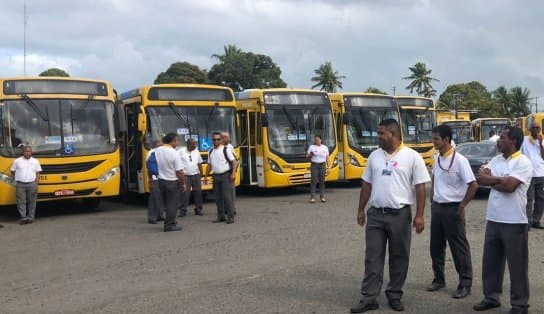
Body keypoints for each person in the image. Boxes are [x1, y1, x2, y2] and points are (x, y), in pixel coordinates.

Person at [350, 119, 430, 313]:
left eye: (381, 134)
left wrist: (419, 215)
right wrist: (361, 209)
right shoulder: (374, 156)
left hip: (400, 215)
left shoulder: (412, 156)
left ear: (393, 134)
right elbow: (367, 184)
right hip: (376, 214)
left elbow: (420, 187)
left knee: (399, 256)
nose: (378, 137)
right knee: (372, 257)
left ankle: (394, 294)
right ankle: (369, 297)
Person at [474, 126, 531, 314]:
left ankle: (520, 304)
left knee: (517, 266)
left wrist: (494, 181)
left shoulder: (523, 162)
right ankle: (491, 297)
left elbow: (510, 187)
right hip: (494, 218)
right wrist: (499, 180)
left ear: (513, 141)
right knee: (491, 262)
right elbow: (481, 179)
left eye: (503, 138)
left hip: (515, 221)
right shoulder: (496, 160)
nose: (498, 141)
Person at [427, 125, 478, 299]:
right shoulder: (437, 157)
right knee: (436, 247)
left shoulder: (460, 160)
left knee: (459, 248)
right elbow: (434, 176)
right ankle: (439, 279)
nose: (433, 141)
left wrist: (462, 206)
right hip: (438, 208)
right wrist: (433, 196)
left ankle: (465, 284)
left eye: (436, 139)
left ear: (446, 140)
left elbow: (473, 185)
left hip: (453, 208)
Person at [154, 133, 186, 232]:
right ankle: (169, 224)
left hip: (161, 180)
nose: (178, 143)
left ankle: (170, 220)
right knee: (172, 204)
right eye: (177, 141)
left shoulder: (157, 150)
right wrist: (183, 182)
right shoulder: (174, 153)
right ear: (172, 141)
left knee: (166, 203)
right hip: (171, 181)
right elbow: (179, 171)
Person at [204, 132, 237, 224]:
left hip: (225, 176)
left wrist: (233, 173)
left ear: (221, 140)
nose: (216, 141)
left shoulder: (225, 150)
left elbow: (234, 162)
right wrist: (206, 176)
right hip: (216, 176)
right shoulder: (210, 151)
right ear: (212, 140)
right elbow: (209, 165)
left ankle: (230, 217)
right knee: (218, 198)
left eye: (218, 139)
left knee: (227, 197)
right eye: (214, 139)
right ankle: (221, 216)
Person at [520, 122, 544, 230]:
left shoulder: (542, 140)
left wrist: (540, 143)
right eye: (533, 127)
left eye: (537, 128)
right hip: (528, 174)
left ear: (540, 129)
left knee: (541, 199)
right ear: (529, 129)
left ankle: (536, 220)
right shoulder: (524, 140)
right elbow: (519, 155)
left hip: (541, 174)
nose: (536, 129)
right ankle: (527, 222)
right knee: (529, 199)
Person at [10, 146, 42, 224]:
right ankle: (23, 217)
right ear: (23, 152)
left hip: (32, 184)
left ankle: (31, 217)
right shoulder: (17, 161)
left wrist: (36, 183)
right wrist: (19, 177)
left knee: (32, 201)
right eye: (26, 151)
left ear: (31, 152)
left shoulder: (35, 161)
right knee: (21, 201)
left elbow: (38, 172)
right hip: (20, 184)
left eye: (29, 151)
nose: (27, 153)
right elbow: (12, 171)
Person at [179, 138, 204, 216]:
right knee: (185, 194)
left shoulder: (196, 151)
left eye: (195, 144)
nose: (195, 146)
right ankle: (183, 211)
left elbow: (199, 163)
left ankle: (198, 209)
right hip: (185, 176)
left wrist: (201, 175)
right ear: (188, 144)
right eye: (193, 144)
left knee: (198, 193)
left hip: (196, 175)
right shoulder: (180, 152)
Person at [306, 135, 330, 203]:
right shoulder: (312, 147)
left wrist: (329, 167)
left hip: (322, 165)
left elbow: (327, 158)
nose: (316, 141)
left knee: (322, 181)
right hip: (314, 165)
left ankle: (322, 197)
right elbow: (307, 156)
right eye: (315, 140)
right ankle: (312, 197)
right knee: (314, 181)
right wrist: (311, 154)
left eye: (318, 140)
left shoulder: (325, 147)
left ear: (321, 140)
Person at [146, 139, 165, 224]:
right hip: (154, 178)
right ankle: (152, 217)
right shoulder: (151, 153)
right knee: (154, 198)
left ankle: (160, 215)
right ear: (155, 145)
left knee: (160, 197)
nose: (162, 146)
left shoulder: (160, 152)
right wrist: (150, 179)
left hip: (161, 177)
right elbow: (149, 168)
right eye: (160, 145)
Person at [221, 131, 238, 215]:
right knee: (223, 192)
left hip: (230, 172)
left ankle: (232, 208)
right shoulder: (217, 147)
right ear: (223, 138)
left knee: (231, 191)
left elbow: (235, 160)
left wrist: (233, 172)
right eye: (228, 137)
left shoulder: (230, 146)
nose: (229, 139)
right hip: (221, 173)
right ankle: (224, 209)